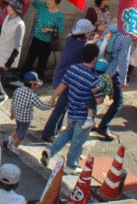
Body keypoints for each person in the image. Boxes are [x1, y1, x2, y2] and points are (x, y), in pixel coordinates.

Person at [40, 44, 103, 173]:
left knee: (68, 132)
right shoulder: (94, 79)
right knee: (77, 141)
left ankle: (50, 150)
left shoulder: (72, 69)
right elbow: (99, 101)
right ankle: (71, 166)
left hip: (72, 110)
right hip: (85, 116)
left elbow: (62, 86)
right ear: (95, 59)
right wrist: (102, 90)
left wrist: (53, 97)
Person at [94, 20, 133, 141]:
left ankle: (89, 121)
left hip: (99, 67)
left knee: (96, 96)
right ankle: (103, 127)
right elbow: (123, 60)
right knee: (118, 101)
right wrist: (123, 79)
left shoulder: (111, 28)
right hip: (112, 71)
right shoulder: (126, 37)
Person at [0, 0, 24, 102]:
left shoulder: (19, 25)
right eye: (8, 5)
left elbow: (18, 46)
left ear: (16, 9)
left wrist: (10, 62)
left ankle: (1, 96)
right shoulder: (7, 18)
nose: (8, 8)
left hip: (7, 56)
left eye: (10, 6)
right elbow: (5, 33)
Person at [21, 0, 65, 78]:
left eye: (51, 0)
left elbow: (60, 30)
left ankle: (38, 81)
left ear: (57, 3)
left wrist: (50, 30)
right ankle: (23, 78)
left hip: (46, 43)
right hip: (36, 39)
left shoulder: (59, 16)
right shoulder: (43, 6)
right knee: (29, 59)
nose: (48, 1)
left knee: (42, 63)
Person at [6, 71, 47, 156]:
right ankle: (14, 148)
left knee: (17, 128)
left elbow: (13, 103)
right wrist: (51, 105)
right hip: (26, 119)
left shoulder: (18, 90)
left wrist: (12, 113)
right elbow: (42, 106)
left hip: (17, 115)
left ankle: (9, 140)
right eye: (36, 84)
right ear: (32, 85)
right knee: (21, 134)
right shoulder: (32, 95)